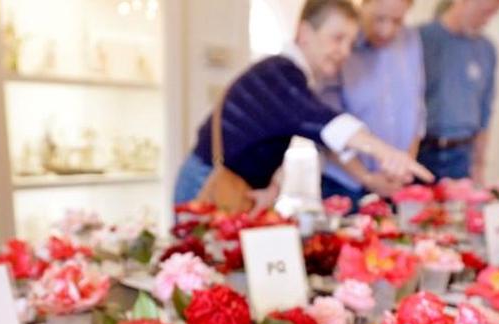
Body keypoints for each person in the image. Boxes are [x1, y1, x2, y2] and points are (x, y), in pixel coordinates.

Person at [173, 0, 432, 210]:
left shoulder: (293, 80)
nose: (344, 51)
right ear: (305, 33)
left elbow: (294, 135)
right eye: (337, 38)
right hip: (206, 183)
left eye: (350, 43)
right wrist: (389, 154)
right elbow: (328, 123)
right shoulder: (280, 75)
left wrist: (272, 187)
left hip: (237, 187)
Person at [320, 0, 425, 206]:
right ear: (363, 5)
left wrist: (402, 166)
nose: (387, 30)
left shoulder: (411, 39)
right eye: (379, 19)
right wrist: (366, 178)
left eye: (397, 20)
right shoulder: (341, 47)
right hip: (346, 186)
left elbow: (417, 110)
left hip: (397, 181)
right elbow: (327, 125)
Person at [418, 0, 499, 183]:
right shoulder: (419, 39)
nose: (487, 21)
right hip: (421, 151)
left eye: (493, 15)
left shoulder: (486, 49)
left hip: (462, 156)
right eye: (485, 12)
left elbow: (485, 112)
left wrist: (479, 165)